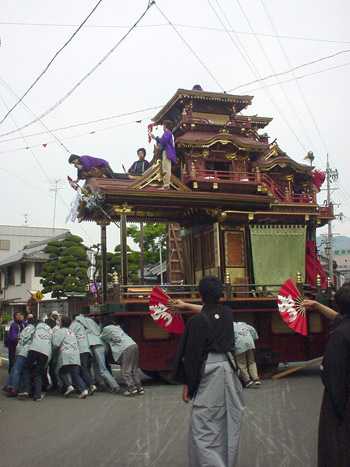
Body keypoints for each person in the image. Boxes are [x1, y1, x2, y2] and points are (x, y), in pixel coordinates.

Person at [174, 276, 244, 467]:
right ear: (221, 294)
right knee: (227, 425)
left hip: (209, 372)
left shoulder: (197, 322)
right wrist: (186, 305)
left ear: (200, 295)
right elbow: (212, 312)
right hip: (229, 372)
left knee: (204, 429)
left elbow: (192, 358)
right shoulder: (227, 314)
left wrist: (189, 384)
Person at [303, 289, 350, 467]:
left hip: (342, 402)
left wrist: (338, 410)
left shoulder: (340, 335)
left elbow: (333, 375)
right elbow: (339, 317)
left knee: (337, 449)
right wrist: (316, 305)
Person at [74, 312, 120, 393]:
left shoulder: (81, 321)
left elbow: (78, 320)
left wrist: (77, 318)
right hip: (99, 344)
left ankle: (115, 386)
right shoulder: (92, 323)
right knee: (96, 366)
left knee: (102, 369)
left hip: (96, 345)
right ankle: (101, 384)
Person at [101, 317, 144, 396]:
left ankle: (132, 388)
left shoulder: (106, 329)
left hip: (125, 348)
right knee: (134, 368)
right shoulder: (117, 328)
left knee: (125, 370)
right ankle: (139, 388)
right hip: (133, 345)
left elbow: (101, 337)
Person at [52, 316, 88, 399]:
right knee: (75, 374)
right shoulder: (71, 332)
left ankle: (69, 386)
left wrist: (53, 353)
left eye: (60, 321)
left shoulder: (60, 331)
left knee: (61, 372)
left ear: (62, 323)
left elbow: (56, 344)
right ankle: (84, 390)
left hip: (66, 354)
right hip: (75, 353)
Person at [20, 319, 55, 401]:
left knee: (27, 368)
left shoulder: (38, 326)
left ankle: (26, 390)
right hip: (45, 352)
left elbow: (30, 335)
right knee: (38, 373)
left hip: (34, 349)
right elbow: (52, 344)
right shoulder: (51, 331)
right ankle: (37, 395)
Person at [4, 314, 35, 397]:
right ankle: (18, 388)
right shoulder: (16, 325)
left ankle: (13, 387)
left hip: (20, 350)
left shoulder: (24, 326)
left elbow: (18, 337)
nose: (21, 317)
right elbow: (13, 337)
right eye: (19, 316)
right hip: (22, 350)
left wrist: (18, 338)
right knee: (20, 370)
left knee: (16, 369)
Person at [70, 314, 96, 394]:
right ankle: (89, 385)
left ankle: (90, 385)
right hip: (87, 350)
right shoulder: (83, 326)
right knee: (86, 369)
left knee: (81, 369)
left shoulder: (74, 325)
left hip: (80, 350)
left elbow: (69, 334)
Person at [234, 321, 261, 388]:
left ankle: (247, 381)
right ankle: (256, 378)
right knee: (251, 362)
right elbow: (253, 330)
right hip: (250, 343)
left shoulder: (231, 327)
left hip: (240, 345)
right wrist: (254, 338)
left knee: (241, 363)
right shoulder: (244, 324)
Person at [150, 120, 176, 189]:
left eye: (163, 125)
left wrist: (155, 138)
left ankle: (166, 185)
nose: (162, 127)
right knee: (165, 168)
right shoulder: (169, 133)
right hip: (166, 152)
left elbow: (163, 141)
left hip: (167, 152)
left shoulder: (168, 133)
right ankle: (165, 184)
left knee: (166, 169)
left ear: (165, 126)